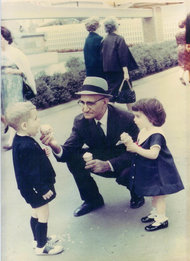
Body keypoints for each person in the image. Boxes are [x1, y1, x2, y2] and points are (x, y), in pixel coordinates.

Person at [41, 76, 144, 218]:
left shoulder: (126, 118)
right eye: (81, 102)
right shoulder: (80, 122)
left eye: (90, 103)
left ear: (105, 102)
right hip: (101, 158)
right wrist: (53, 144)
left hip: (125, 162)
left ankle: (137, 192)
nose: (84, 108)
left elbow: (138, 152)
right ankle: (92, 200)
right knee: (74, 159)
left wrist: (108, 164)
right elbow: (68, 152)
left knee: (129, 171)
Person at [5, 101, 64, 255]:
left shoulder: (20, 140)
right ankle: (42, 246)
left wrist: (41, 154)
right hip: (36, 188)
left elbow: (27, 163)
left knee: (35, 212)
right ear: (25, 125)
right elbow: (31, 172)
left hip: (28, 188)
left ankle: (37, 238)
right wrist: (43, 189)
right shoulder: (26, 145)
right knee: (43, 214)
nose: (39, 122)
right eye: (36, 119)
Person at [122, 98, 184, 232]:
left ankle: (161, 219)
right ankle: (155, 212)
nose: (134, 119)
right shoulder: (144, 131)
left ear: (151, 117)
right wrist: (130, 144)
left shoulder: (156, 134)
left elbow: (154, 154)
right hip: (150, 170)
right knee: (153, 194)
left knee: (159, 196)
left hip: (159, 171)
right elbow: (140, 146)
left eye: (138, 116)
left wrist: (136, 148)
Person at [1, 26, 36, 149]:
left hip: (14, 86)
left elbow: (25, 70)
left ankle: (11, 140)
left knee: (13, 110)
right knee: (4, 112)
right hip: (2, 87)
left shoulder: (15, 52)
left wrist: (13, 71)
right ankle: (6, 123)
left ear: (5, 38)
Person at [102, 17, 138, 110]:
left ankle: (108, 114)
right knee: (128, 94)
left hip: (109, 71)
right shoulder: (119, 39)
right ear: (114, 26)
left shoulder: (104, 40)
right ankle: (131, 115)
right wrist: (126, 72)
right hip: (120, 72)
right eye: (118, 24)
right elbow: (123, 56)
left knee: (112, 94)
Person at [175, 16, 190, 86]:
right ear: (184, 24)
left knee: (182, 64)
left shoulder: (177, 33)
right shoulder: (186, 31)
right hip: (186, 49)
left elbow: (177, 42)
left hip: (179, 48)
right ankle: (185, 78)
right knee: (187, 63)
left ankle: (185, 77)